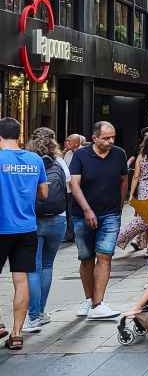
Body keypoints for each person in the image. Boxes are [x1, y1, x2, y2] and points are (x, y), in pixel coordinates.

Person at [69, 121, 128, 320]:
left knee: (105, 256)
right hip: (82, 214)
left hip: (110, 213)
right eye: (106, 138)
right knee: (86, 258)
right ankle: (88, 299)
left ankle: (98, 303)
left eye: (113, 137)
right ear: (94, 138)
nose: (110, 141)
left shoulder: (119, 153)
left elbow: (123, 179)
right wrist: (87, 210)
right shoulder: (80, 155)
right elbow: (74, 185)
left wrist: (119, 207)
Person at [0, 118, 48, 350]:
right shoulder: (35, 159)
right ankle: (17, 334)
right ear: (20, 135)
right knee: (21, 280)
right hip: (27, 228)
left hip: (1, 227)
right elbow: (44, 193)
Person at [23, 128, 67, 333]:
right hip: (57, 220)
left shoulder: (27, 161)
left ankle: (33, 317)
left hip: (33, 219)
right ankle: (41, 312)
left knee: (34, 267)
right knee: (47, 266)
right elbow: (69, 188)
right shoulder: (60, 162)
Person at [117, 133, 148, 253]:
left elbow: (136, 176)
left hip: (143, 189)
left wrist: (132, 193)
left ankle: (122, 238)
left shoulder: (141, 156)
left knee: (144, 218)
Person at [61, 134, 86, 243]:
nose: (67, 143)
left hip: (80, 188)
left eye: (69, 141)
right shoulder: (67, 154)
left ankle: (79, 234)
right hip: (68, 188)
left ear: (76, 143)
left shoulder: (85, 153)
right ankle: (70, 235)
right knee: (68, 212)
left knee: (78, 212)